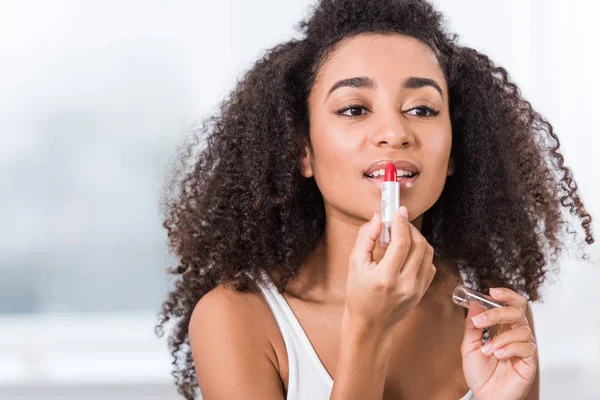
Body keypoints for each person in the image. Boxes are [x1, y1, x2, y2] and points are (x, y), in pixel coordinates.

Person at [155, 0, 595, 399]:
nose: (395, 133)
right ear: (302, 151)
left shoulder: (490, 317)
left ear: (456, 151)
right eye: (354, 109)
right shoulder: (236, 320)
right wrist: (368, 334)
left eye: (422, 109)